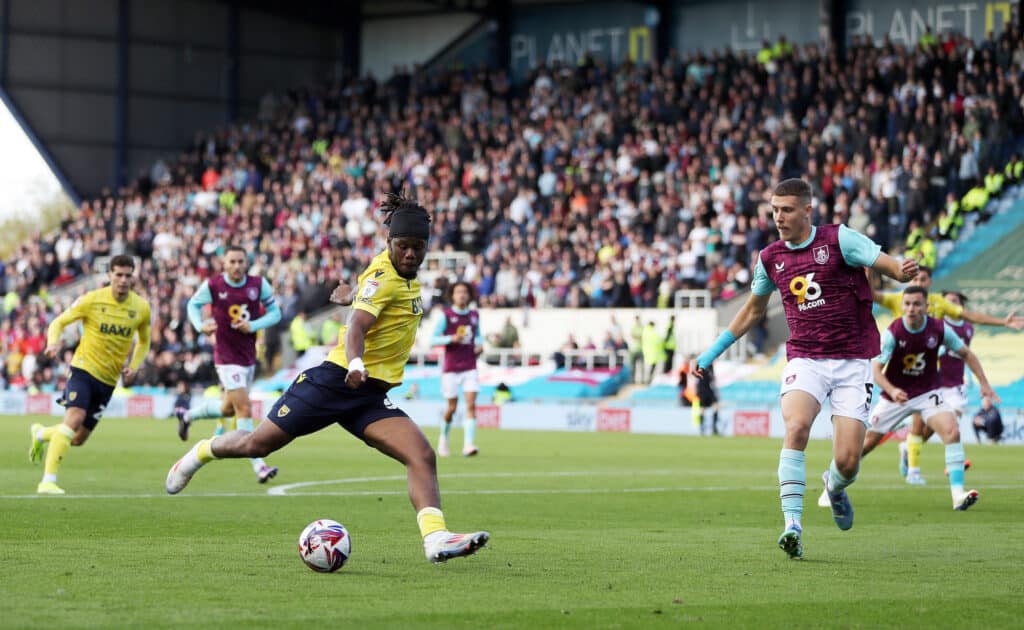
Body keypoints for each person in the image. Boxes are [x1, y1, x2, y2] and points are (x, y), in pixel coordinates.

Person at [166, 192, 489, 563]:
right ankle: (199, 453)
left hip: (368, 394)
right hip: (336, 380)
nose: (411, 254)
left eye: (418, 247)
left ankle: (436, 539)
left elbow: (367, 289)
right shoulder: (387, 277)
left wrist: (352, 293)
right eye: (404, 247)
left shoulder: (387, 270)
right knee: (257, 445)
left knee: (421, 455)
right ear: (390, 244)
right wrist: (354, 361)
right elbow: (357, 327)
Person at [695, 178, 918, 560]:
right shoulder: (769, 258)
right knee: (796, 426)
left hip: (852, 361)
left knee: (849, 461)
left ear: (807, 210)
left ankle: (834, 485)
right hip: (806, 358)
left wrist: (901, 270)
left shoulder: (839, 239)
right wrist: (711, 352)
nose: (778, 217)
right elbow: (752, 310)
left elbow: (889, 267)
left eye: (786, 210)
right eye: (774, 209)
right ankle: (792, 526)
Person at [818, 286, 996, 511]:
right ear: (902, 306)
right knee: (864, 446)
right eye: (907, 303)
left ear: (926, 307)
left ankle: (957, 495)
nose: (911, 308)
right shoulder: (893, 332)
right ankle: (831, 485)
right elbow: (875, 370)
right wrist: (892, 390)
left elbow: (967, 354)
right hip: (895, 397)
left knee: (952, 431)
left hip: (928, 392)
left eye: (916, 304)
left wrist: (984, 383)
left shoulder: (939, 329)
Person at [873, 267, 1022, 483]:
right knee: (894, 432)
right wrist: (867, 269)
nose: (919, 283)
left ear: (930, 282)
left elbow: (969, 315)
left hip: (932, 372)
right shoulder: (898, 299)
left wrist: (1002, 322)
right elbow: (873, 295)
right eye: (915, 278)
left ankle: (918, 455)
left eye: (923, 279)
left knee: (947, 422)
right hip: (903, 372)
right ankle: (912, 468)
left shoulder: (938, 304)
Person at [28, 255, 152, 494]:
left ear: (133, 276)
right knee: (73, 420)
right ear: (110, 275)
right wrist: (53, 343)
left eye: (128, 275)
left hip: (108, 380)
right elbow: (58, 322)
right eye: (119, 275)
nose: (124, 280)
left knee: (77, 438)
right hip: (83, 369)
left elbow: (145, 342)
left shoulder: (141, 308)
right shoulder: (92, 300)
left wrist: (134, 366)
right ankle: (48, 481)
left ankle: (42, 433)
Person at [175, 246, 282, 484]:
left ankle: (187, 416)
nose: (236, 265)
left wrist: (253, 326)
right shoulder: (213, 285)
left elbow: (276, 314)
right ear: (224, 264)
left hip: (248, 356)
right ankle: (259, 465)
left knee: (227, 409)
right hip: (225, 357)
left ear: (246, 263)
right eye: (232, 261)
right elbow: (192, 306)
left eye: (240, 261)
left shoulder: (258, 284)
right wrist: (200, 325)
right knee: (244, 408)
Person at [430, 281, 483, 457]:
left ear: (469, 295)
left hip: (470, 367)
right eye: (458, 292)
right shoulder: (447, 315)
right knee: (452, 408)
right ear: (452, 295)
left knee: (471, 405)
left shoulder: (475, 315)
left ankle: (468, 444)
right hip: (451, 368)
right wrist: (450, 339)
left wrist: (481, 346)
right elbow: (433, 340)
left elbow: (479, 336)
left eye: (465, 292)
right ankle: (443, 438)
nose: (462, 295)